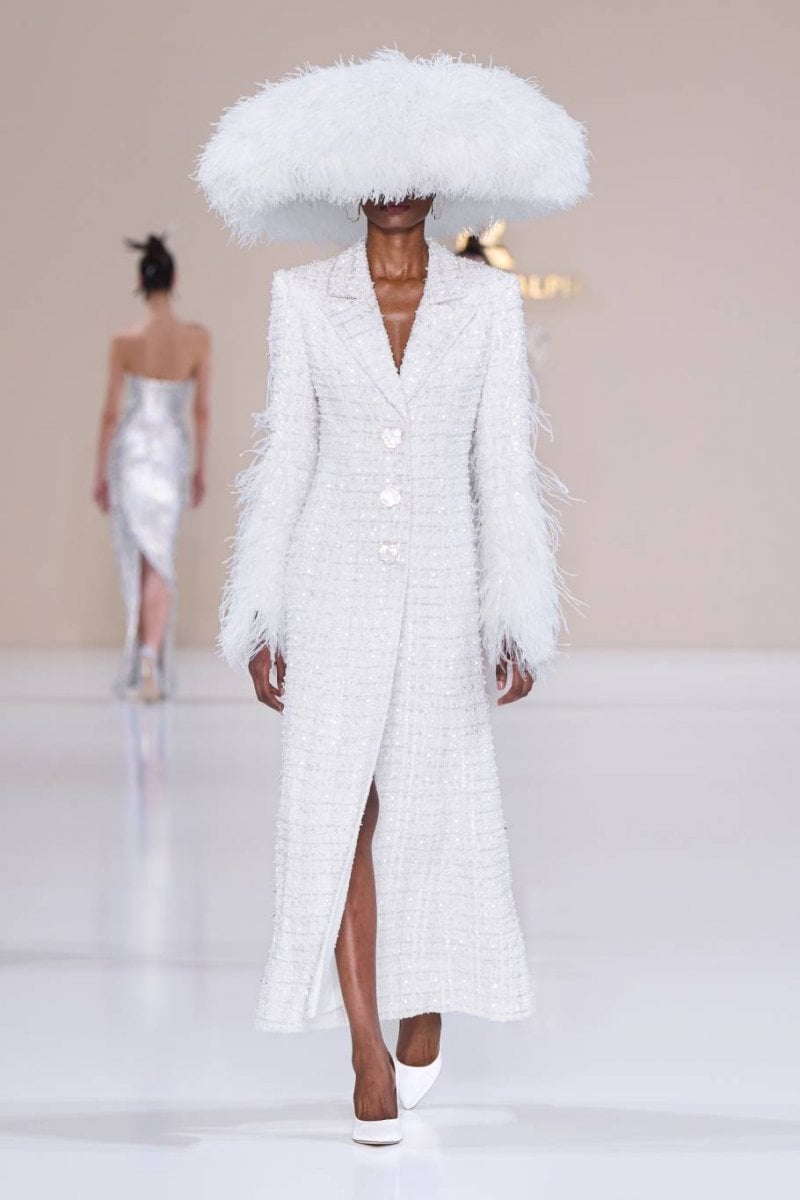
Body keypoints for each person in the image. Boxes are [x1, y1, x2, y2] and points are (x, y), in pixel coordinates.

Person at [197, 49, 588, 1145]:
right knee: (334, 809)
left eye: (413, 169)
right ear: (345, 180)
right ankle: (365, 1051)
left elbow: (501, 465)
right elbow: (285, 456)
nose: (394, 188)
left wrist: (516, 614)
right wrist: (261, 612)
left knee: (434, 806)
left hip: (448, 580)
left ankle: (421, 1003)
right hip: (329, 579)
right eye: (373, 170)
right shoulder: (300, 298)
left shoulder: (486, 303)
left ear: (440, 178)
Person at [93, 234, 211, 701]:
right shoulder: (197, 339)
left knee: (143, 555)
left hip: (132, 451)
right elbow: (202, 411)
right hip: (170, 454)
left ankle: (145, 657)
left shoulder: (125, 341)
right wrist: (200, 468)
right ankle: (149, 659)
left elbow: (109, 412)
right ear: (174, 280)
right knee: (159, 555)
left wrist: (100, 472)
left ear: (141, 282)